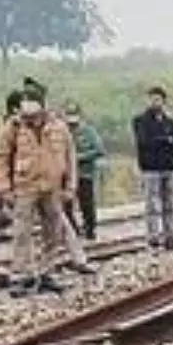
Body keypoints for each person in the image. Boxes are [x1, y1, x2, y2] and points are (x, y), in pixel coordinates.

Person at [0, 86, 76, 295]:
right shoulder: (12, 127)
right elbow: (0, 157)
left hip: (52, 187)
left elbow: (70, 158)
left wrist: (70, 186)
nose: (29, 116)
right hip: (24, 187)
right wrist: (4, 187)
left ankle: (47, 271)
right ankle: (22, 275)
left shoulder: (59, 127)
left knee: (53, 232)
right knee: (22, 232)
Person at [131, 86, 173, 251]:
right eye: (152, 99)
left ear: (164, 101)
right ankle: (153, 236)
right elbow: (144, 142)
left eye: (158, 99)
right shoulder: (140, 121)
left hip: (169, 167)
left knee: (169, 203)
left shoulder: (171, 122)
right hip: (150, 168)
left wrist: (165, 141)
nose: (155, 102)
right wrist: (166, 140)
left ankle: (170, 235)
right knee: (152, 204)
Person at [63, 102, 106, 241]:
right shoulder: (63, 131)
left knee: (86, 204)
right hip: (66, 176)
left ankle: (90, 229)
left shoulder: (88, 131)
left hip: (84, 173)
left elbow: (99, 150)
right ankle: (73, 231)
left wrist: (80, 157)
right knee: (66, 205)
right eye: (68, 114)